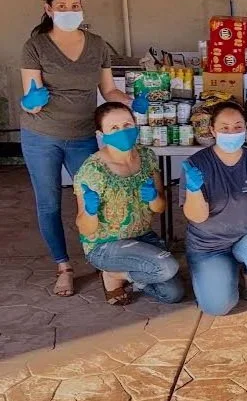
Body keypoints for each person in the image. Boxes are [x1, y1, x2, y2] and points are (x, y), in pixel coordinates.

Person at [20, 0, 149, 297]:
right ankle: (63, 266)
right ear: (49, 9)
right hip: (41, 135)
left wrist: (133, 101)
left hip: (82, 135)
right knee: (49, 203)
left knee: (95, 199)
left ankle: (108, 265)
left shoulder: (97, 44)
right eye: (61, 6)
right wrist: (31, 100)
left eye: (74, 5)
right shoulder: (35, 46)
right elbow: (31, 97)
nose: (69, 11)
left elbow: (108, 91)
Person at [182, 102, 247, 316]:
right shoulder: (196, 164)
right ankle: (219, 271)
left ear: (246, 128)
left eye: (238, 126)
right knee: (217, 307)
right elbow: (197, 216)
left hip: (246, 236)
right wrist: (193, 190)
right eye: (225, 127)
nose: (232, 132)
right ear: (212, 130)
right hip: (208, 246)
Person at [73, 102, 183, 305]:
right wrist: (90, 211)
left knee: (173, 294)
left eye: (127, 125)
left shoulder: (146, 157)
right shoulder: (92, 171)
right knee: (166, 267)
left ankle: (127, 274)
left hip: (142, 237)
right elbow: (86, 229)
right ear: (101, 134)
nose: (122, 131)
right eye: (113, 128)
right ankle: (114, 275)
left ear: (135, 124)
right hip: (106, 246)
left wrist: (154, 198)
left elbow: (160, 208)